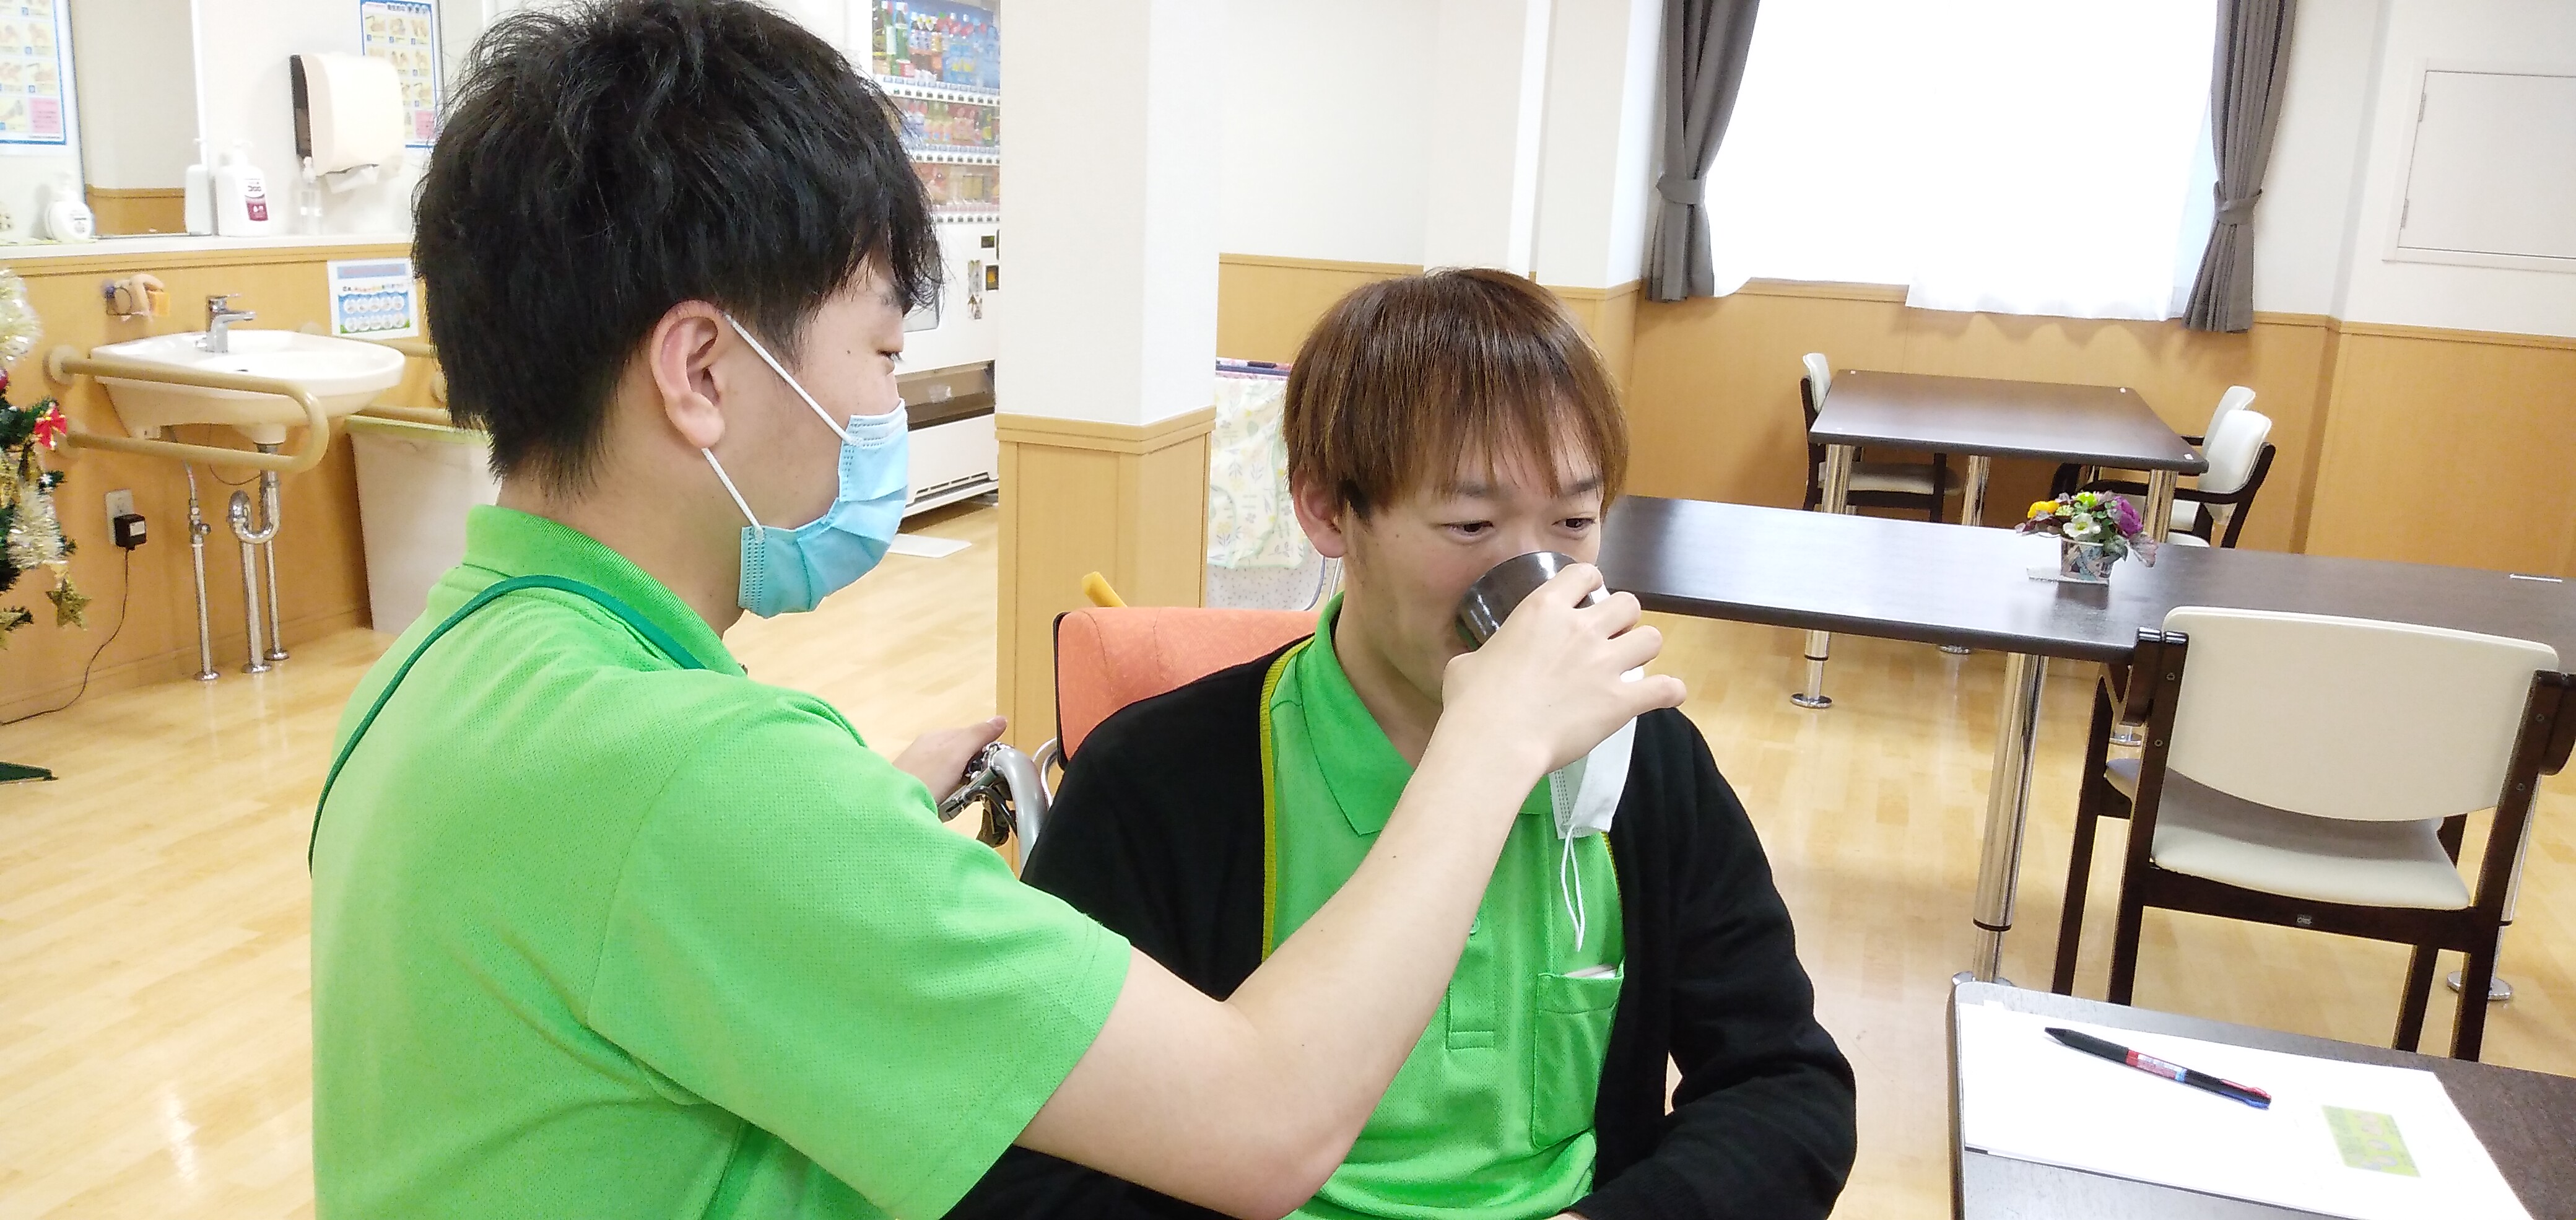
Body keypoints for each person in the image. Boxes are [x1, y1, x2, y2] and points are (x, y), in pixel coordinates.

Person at [305, 5, 1684, 1218]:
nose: (883, 406)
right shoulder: (707, 786)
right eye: (878, 350)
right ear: (701, 371)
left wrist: (856, 835)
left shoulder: (442, 672)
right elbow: (1266, 1119)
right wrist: (1493, 741)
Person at [951, 271, 1856, 1220]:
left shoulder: (1642, 761)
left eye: (1574, 522)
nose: (1534, 580)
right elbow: (1026, 1164)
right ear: (1326, 509)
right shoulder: (1160, 782)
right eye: (1471, 524)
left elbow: (1786, 1084)